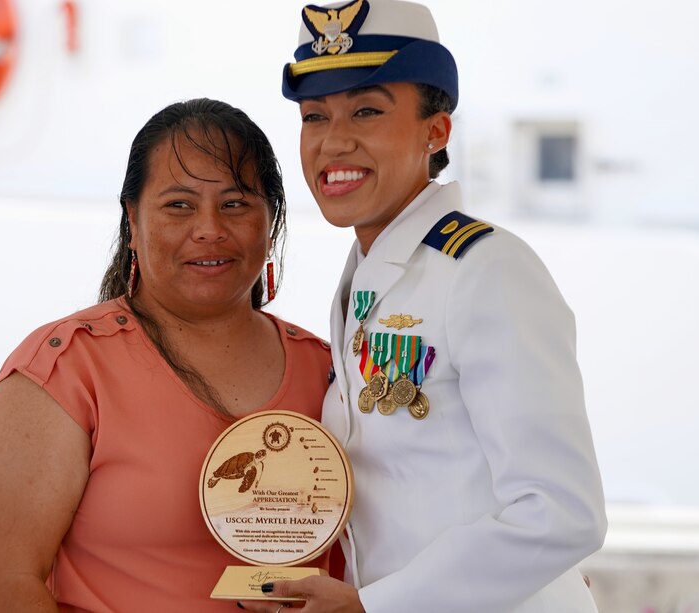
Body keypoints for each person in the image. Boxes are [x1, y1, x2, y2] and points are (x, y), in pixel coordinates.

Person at [243, 1, 609, 611]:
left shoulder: (487, 270)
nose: (334, 141)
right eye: (314, 117)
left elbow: (563, 511)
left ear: (436, 131)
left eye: (366, 110)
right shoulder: (372, 274)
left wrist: (373, 606)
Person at [0, 98, 336, 612]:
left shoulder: (334, 372)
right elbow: (3, 577)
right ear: (133, 221)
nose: (209, 228)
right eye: (179, 205)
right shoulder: (65, 369)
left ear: (270, 223)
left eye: (235, 204)